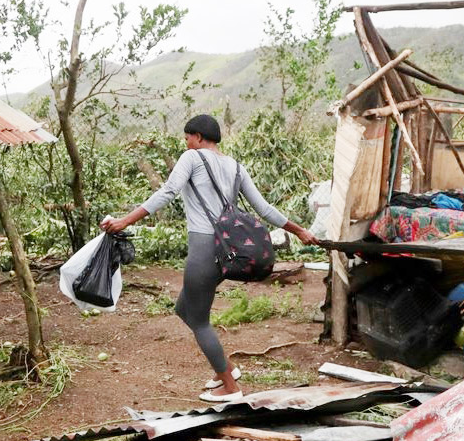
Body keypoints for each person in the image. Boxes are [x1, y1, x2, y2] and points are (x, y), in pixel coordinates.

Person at [101, 114, 319, 402]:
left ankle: (230, 387)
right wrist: (299, 230)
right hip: (227, 249)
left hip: (205, 247)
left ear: (199, 137)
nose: (186, 142)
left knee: (199, 320)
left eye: (188, 137)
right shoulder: (236, 166)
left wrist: (123, 221)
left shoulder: (191, 159)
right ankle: (225, 369)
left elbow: (167, 192)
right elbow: (264, 209)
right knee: (184, 309)